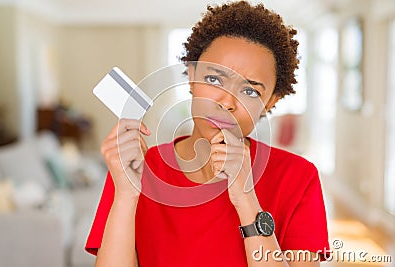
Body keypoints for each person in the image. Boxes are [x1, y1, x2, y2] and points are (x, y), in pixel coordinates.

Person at [85, 1, 330, 266]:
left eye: (250, 91)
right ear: (192, 76)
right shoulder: (135, 168)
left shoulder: (298, 178)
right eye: (214, 79)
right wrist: (126, 194)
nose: (227, 102)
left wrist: (246, 199)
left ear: (271, 101)